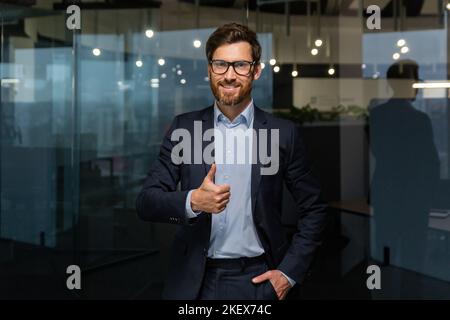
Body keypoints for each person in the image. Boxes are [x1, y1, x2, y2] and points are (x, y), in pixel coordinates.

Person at [136, 22, 327, 300]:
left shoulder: (282, 134)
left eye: (240, 65)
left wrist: (288, 273)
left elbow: (315, 209)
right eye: (220, 65)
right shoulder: (185, 129)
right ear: (209, 70)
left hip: (259, 280)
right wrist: (192, 202)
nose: (229, 75)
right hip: (195, 282)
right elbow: (146, 202)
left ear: (256, 70)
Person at [369, 60, 440, 272]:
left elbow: (378, 152)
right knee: (413, 260)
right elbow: (431, 164)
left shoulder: (377, 115)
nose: (417, 87)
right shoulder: (419, 119)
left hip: (386, 195)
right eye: (415, 81)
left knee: (385, 257)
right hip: (413, 199)